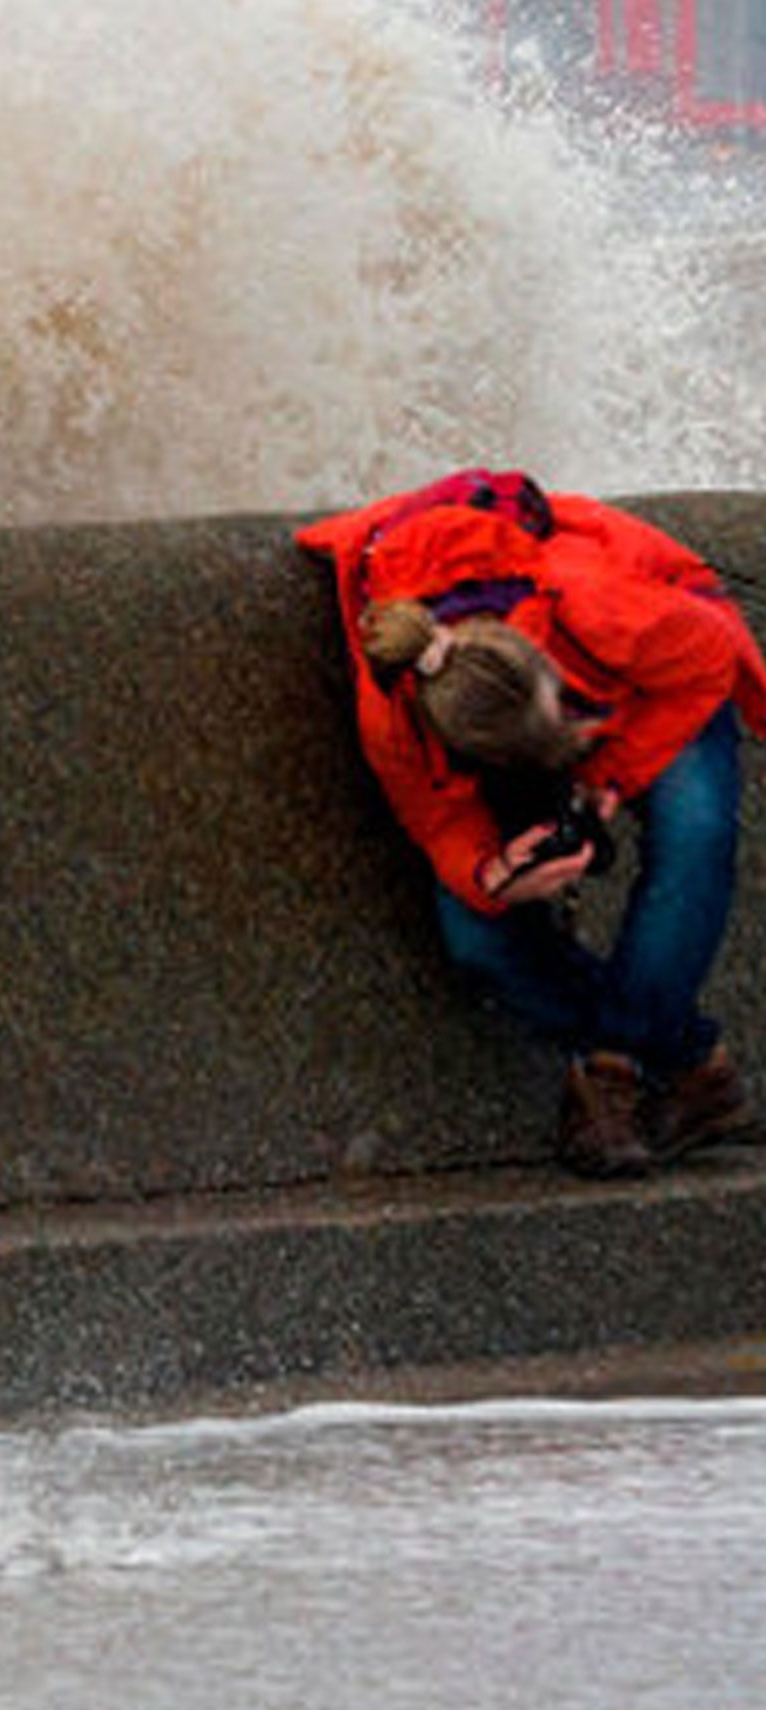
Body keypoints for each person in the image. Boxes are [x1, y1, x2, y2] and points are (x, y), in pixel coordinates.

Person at [299, 468, 766, 1179]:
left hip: (660, 680)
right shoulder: (393, 714)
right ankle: (691, 1065)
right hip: (529, 707)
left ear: (547, 668)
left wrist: (610, 777)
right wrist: (492, 875)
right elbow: (440, 822)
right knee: (477, 939)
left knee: (694, 835)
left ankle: (609, 1074)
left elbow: (707, 663)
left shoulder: (590, 602)